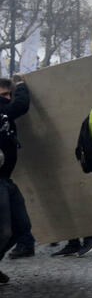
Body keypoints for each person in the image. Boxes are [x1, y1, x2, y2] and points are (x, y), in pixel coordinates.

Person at [0, 74, 33, 282]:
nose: (7, 97)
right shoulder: (4, 109)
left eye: (8, 94)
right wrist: (21, 86)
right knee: (4, 230)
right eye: (3, 94)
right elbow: (20, 106)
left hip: (6, 179)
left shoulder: (5, 113)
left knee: (21, 228)